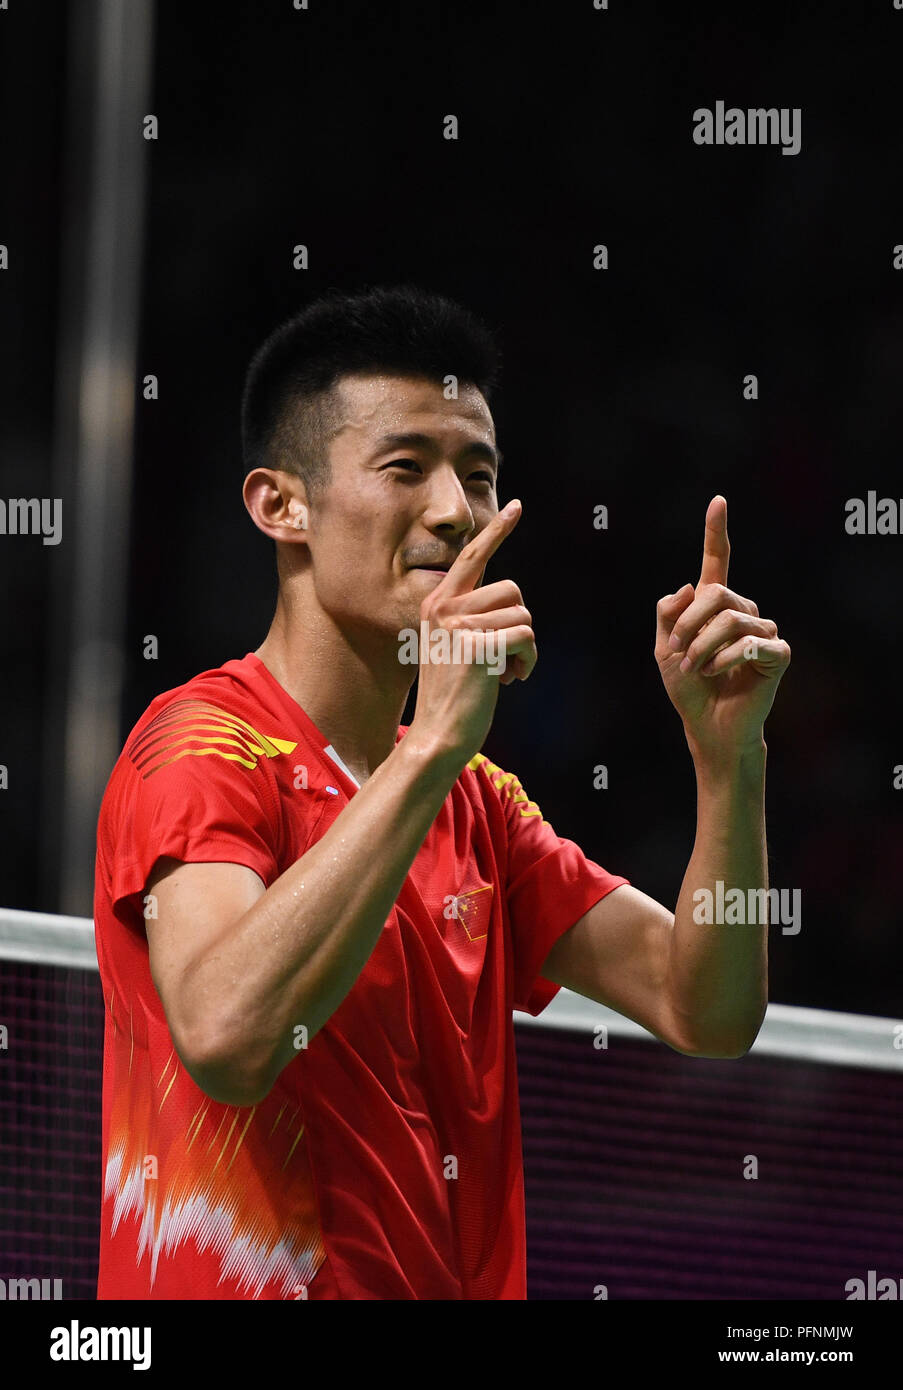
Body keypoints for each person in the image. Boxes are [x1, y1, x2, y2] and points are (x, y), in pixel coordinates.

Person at [93, 284, 790, 1300]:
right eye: (405, 468)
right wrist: (432, 750)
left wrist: (731, 765)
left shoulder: (478, 804)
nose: (454, 510)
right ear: (280, 505)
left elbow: (709, 1008)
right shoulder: (198, 748)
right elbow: (228, 1038)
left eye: (478, 472)